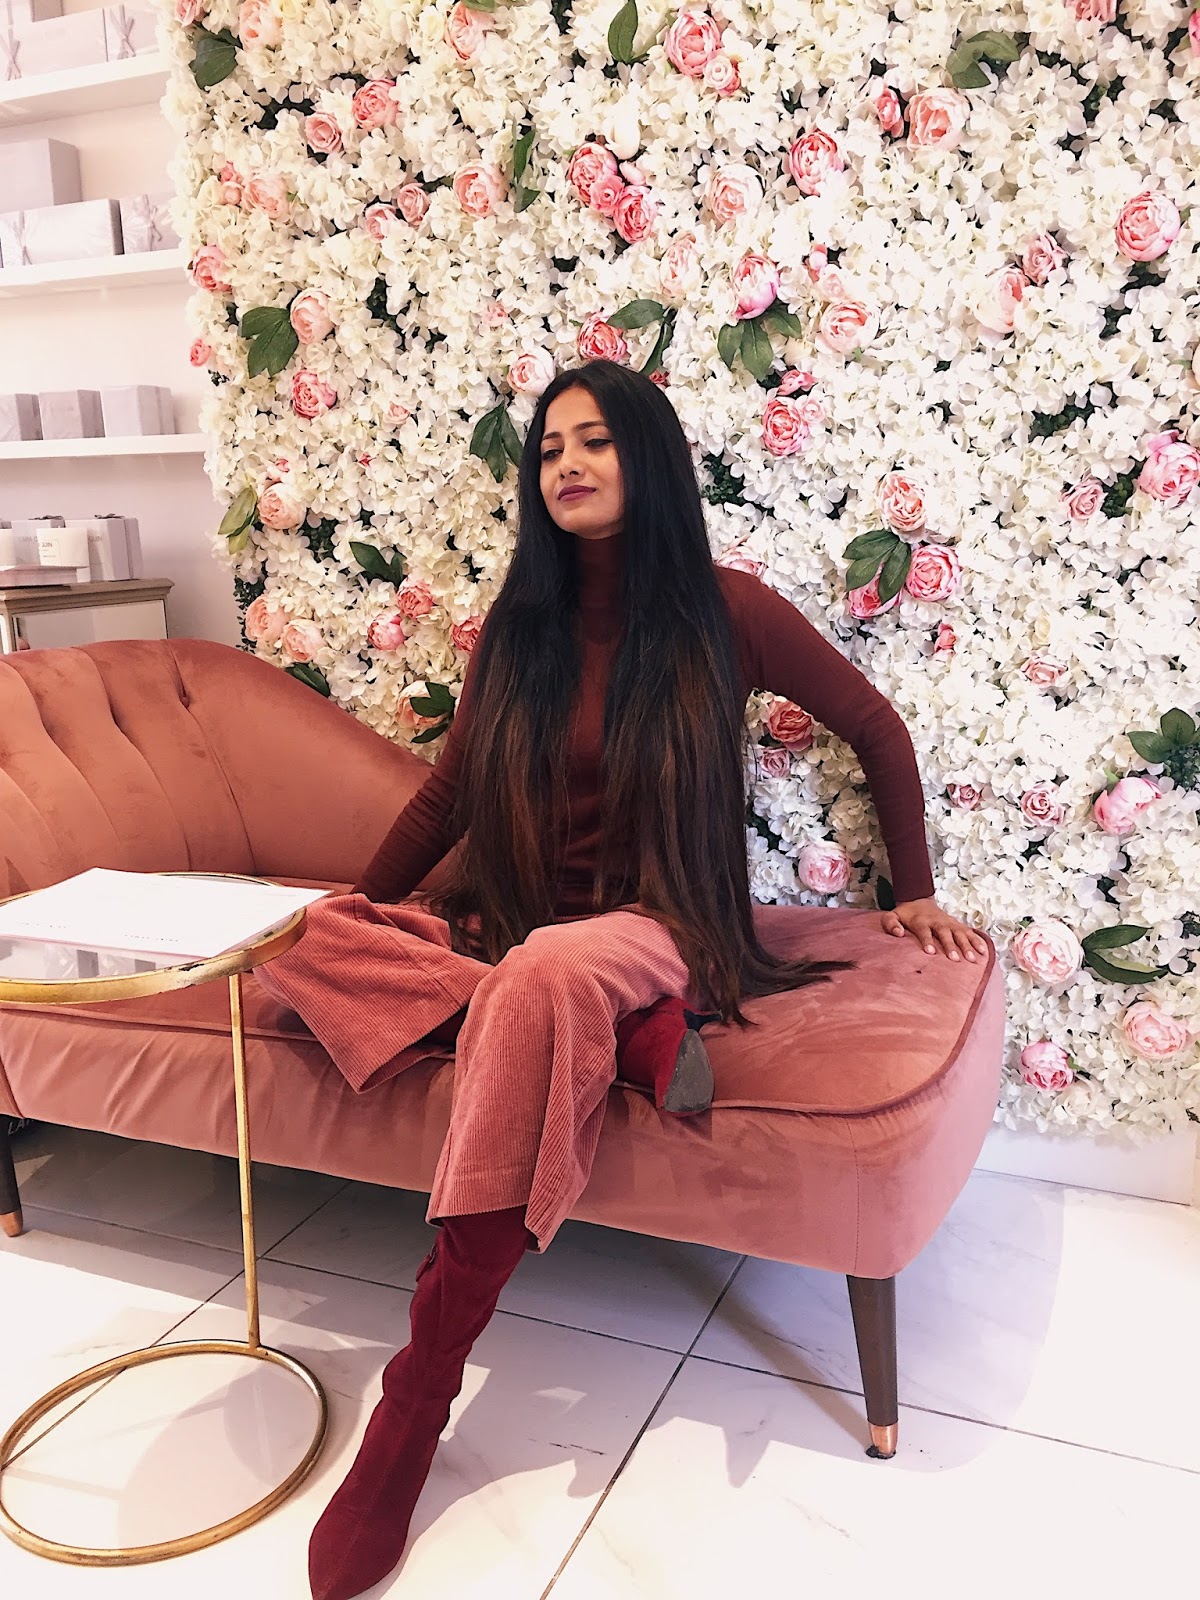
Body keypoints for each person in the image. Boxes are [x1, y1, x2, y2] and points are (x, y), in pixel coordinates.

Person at [256, 360, 987, 1600]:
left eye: (593, 441)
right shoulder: (521, 627)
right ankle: (632, 1035)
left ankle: (415, 1399)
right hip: (520, 930)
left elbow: (875, 725)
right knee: (303, 945)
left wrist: (909, 888)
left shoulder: (727, 609)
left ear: (645, 456)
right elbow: (448, 794)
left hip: (662, 925)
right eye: (549, 451)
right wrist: (355, 907)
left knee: (546, 972)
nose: (568, 466)